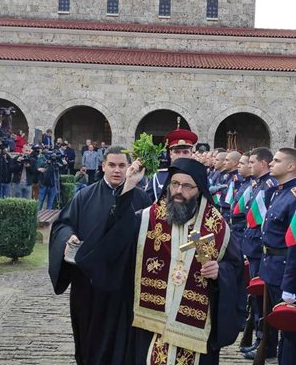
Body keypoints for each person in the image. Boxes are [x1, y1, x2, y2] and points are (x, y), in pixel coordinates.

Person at [74, 157, 244, 364]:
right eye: (175, 184)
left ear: (199, 189)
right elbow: (115, 233)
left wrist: (220, 271)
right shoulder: (147, 218)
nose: (179, 191)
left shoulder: (217, 227)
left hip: (195, 329)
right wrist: (129, 185)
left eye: (187, 186)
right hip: (152, 322)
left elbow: (235, 268)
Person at [48, 146, 152, 365]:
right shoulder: (84, 196)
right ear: (102, 165)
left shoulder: (141, 199)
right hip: (89, 286)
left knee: (124, 342)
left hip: (124, 286)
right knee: (90, 340)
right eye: (112, 165)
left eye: (122, 165)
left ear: (129, 167)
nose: (117, 170)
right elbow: (62, 225)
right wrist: (69, 237)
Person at [261, 148, 296, 365]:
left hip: (285, 270)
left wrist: (290, 285)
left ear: (291, 166)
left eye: (277, 160)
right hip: (271, 267)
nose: (271, 163)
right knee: (280, 325)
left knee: (292, 329)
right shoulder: (277, 192)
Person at [241, 147, 278, 360]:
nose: (249, 165)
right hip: (254, 247)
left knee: (263, 300)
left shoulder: (270, 186)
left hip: (261, 249)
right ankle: (259, 338)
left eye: (253, 162)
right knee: (256, 299)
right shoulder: (259, 185)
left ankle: (264, 341)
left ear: (263, 163)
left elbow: (266, 222)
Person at [146, 124, 198, 202]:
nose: (181, 156)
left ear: (191, 154)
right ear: (170, 154)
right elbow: (145, 203)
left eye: (185, 152)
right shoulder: (158, 176)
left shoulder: (198, 178)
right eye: (177, 152)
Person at [217, 151, 241, 224]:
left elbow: (234, 200)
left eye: (227, 160)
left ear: (235, 163)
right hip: (223, 212)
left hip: (229, 213)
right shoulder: (228, 176)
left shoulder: (237, 179)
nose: (224, 163)